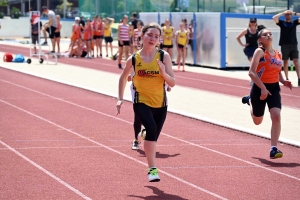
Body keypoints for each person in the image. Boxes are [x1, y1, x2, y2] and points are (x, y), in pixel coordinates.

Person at [116, 22, 175, 182]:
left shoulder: (164, 56)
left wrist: (163, 73)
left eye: (156, 36)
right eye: (150, 35)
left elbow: (172, 83)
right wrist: (120, 98)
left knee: (152, 136)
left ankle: (144, 135)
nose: (153, 38)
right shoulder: (134, 58)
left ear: (159, 40)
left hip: (161, 103)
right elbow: (123, 77)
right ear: (142, 36)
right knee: (151, 128)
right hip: (141, 100)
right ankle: (152, 169)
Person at [241, 26, 292, 159]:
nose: (269, 35)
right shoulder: (260, 51)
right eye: (265, 35)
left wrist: (284, 81)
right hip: (259, 88)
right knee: (257, 121)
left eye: (270, 34)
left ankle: (273, 148)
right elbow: (251, 73)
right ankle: (251, 101)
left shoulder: (278, 53)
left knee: (276, 116)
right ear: (260, 39)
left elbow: (277, 72)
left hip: (274, 88)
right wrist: (263, 88)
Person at [273, 10, 300, 86]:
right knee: (285, 62)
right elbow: (274, 18)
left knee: (296, 62)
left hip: (293, 44)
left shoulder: (294, 22)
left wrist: (294, 13)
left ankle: (299, 78)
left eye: (289, 14)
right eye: (287, 15)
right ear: (285, 16)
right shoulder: (282, 23)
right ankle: (287, 78)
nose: (288, 16)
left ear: (291, 16)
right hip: (284, 44)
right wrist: (282, 13)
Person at [236, 18, 259, 85]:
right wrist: (243, 44)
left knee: (257, 63)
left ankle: (256, 78)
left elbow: (262, 38)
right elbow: (238, 37)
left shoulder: (258, 31)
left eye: (254, 21)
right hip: (249, 48)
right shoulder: (246, 31)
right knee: (252, 62)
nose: (253, 23)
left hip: (256, 48)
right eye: (251, 21)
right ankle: (252, 78)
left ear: (256, 23)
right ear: (249, 22)